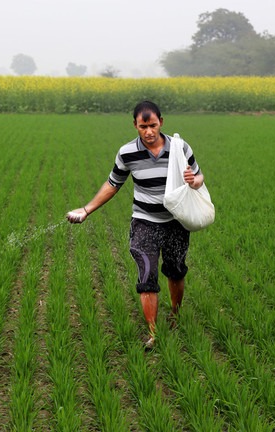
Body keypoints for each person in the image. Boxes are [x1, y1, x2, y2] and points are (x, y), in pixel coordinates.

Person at [66, 101, 205, 350]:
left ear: (161, 122)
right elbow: (113, 184)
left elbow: (199, 175)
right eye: (143, 126)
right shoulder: (127, 153)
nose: (149, 131)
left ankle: (175, 315)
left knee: (175, 270)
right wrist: (86, 209)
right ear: (135, 126)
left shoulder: (179, 147)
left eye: (152, 125)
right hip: (144, 222)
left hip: (176, 222)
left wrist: (193, 181)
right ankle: (153, 333)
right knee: (146, 274)